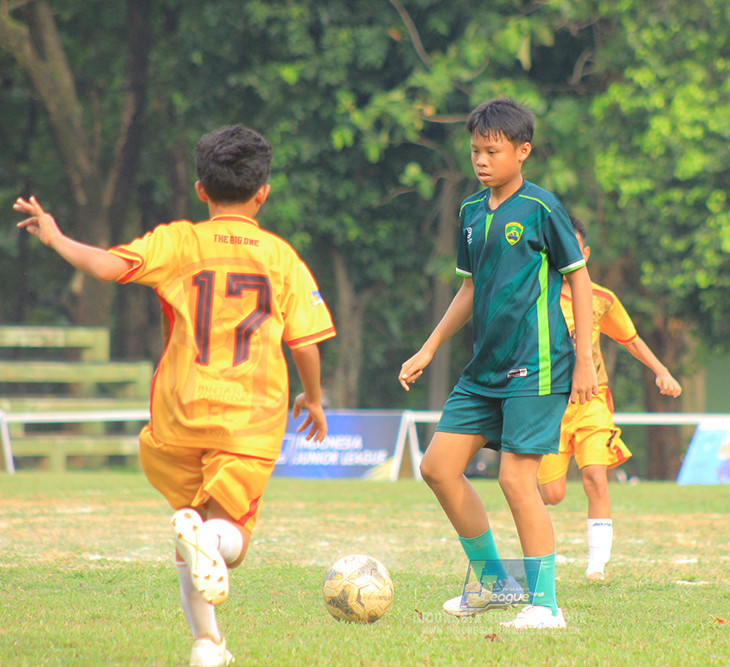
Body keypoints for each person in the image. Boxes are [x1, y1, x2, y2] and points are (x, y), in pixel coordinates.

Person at [14, 125, 335, 667]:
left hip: (179, 414)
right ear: (264, 192)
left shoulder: (178, 242)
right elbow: (305, 342)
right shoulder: (281, 258)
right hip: (248, 420)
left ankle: (207, 645)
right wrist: (314, 398)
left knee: (192, 528)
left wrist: (56, 237)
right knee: (227, 535)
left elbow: (106, 266)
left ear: (201, 189)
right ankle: (209, 552)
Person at [398, 98, 597, 630]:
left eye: (492, 150)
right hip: (483, 372)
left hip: (536, 368)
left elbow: (578, 277)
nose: (481, 161)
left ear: (522, 151)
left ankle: (546, 606)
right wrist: (430, 346)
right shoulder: (468, 213)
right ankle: (493, 585)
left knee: (515, 480)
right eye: (475, 151)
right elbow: (469, 289)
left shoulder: (542, 209)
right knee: (437, 468)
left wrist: (584, 361)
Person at [537, 215, 682, 581]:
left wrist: (661, 370)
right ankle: (531, 529)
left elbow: (629, 338)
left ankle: (596, 566)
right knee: (551, 494)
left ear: (584, 253)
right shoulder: (537, 295)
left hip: (592, 401)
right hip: (548, 406)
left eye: (573, 248)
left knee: (596, 479)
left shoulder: (602, 299)